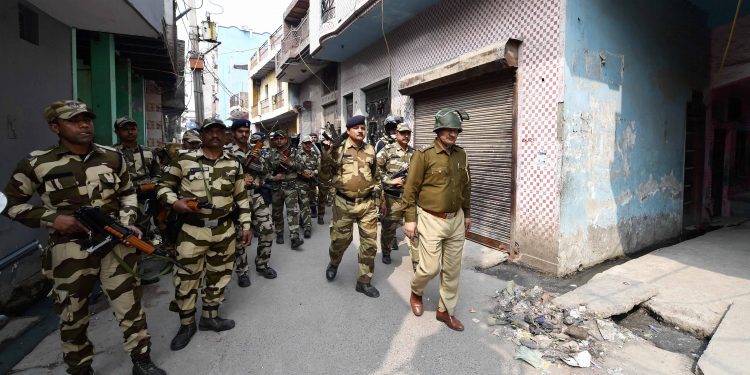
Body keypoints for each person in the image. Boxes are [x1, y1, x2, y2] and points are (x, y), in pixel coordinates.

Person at [2, 100, 165, 374]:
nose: (84, 124)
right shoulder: (37, 163)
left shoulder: (112, 157)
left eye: (87, 119)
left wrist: (127, 223)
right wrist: (54, 219)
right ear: (55, 127)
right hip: (70, 250)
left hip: (115, 243)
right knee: (72, 314)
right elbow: (10, 204)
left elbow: (128, 193)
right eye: (73, 120)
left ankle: (142, 360)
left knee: (130, 306)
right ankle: (79, 368)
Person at [156, 118, 252, 351]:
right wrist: (175, 202)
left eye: (220, 131)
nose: (216, 135)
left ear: (225, 135)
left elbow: (241, 197)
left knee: (219, 276)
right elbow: (162, 187)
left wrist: (246, 224)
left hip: (224, 229)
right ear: (203, 134)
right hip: (192, 230)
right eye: (211, 131)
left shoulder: (233, 163)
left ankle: (210, 316)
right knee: (186, 279)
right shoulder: (184, 160)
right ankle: (186, 324)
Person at [403, 108, 471, 332]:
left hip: (456, 220)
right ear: (438, 130)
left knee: (452, 270)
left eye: (456, 130)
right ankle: (417, 291)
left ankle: (445, 311)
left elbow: (466, 187)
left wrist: (467, 214)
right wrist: (410, 219)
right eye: (449, 130)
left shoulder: (462, 155)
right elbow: (410, 190)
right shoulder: (424, 156)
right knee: (429, 268)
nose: (453, 134)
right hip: (431, 218)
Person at [319, 115, 383, 298]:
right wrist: (326, 157)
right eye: (356, 128)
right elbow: (324, 178)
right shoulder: (337, 150)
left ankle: (364, 282)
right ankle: (334, 262)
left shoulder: (370, 150)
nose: (360, 130)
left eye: (362, 127)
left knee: (369, 244)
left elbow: (376, 176)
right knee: (340, 241)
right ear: (348, 131)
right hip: (343, 204)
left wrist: (378, 197)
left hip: (366, 204)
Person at [226, 119, 276, 287]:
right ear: (233, 133)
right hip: (237, 199)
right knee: (240, 237)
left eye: (246, 132)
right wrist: (240, 179)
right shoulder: (226, 152)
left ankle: (262, 264)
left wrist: (257, 165)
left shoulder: (256, 151)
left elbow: (266, 173)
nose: (244, 134)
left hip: (255, 196)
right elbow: (220, 176)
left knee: (268, 229)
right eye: (240, 131)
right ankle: (242, 272)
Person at [376, 122, 415, 266]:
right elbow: (374, 170)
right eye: (403, 133)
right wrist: (390, 181)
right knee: (388, 229)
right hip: (392, 197)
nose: (406, 136)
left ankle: (416, 260)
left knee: (414, 228)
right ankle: (386, 252)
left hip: (409, 198)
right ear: (396, 134)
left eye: (408, 133)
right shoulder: (387, 150)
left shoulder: (414, 153)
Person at [265, 130, 304, 249]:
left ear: (286, 139)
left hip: (291, 186)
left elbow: (302, 167)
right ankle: (279, 233)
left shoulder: (294, 152)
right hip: (276, 188)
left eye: (281, 138)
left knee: (293, 212)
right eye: (276, 138)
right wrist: (273, 177)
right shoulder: (269, 154)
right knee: (277, 213)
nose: (279, 140)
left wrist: (290, 163)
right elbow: (264, 172)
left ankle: (294, 237)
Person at [295, 135, 319, 239]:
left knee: (310, 202)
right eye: (306, 143)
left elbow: (319, 167)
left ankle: (302, 219)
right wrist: (302, 173)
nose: (308, 145)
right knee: (305, 204)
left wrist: (314, 172)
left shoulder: (315, 154)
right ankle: (307, 227)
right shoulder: (297, 154)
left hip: (312, 183)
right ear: (302, 144)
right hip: (301, 183)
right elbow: (294, 167)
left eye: (310, 143)